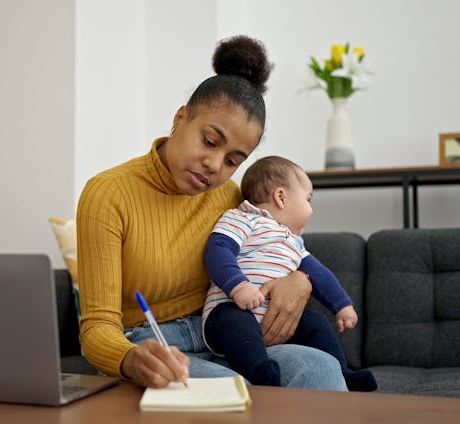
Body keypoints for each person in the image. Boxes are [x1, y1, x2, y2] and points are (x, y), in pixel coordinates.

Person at [76, 34, 347, 391]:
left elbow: (279, 249)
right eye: (209, 141)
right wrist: (129, 358)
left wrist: (301, 280)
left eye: (233, 160)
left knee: (320, 367)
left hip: (223, 335)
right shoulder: (108, 194)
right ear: (180, 119)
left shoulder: (230, 197)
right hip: (152, 346)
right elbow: (96, 327)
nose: (214, 165)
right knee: (231, 388)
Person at [202, 156, 377, 391]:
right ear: (281, 197)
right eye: (308, 199)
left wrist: (342, 305)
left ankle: (343, 373)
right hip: (229, 310)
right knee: (235, 320)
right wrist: (238, 286)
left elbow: (318, 273)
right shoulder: (241, 219)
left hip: (274, 320)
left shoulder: (295, 242)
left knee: (315, 322)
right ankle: (258, 370)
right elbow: (218, 250)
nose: (311, 209)